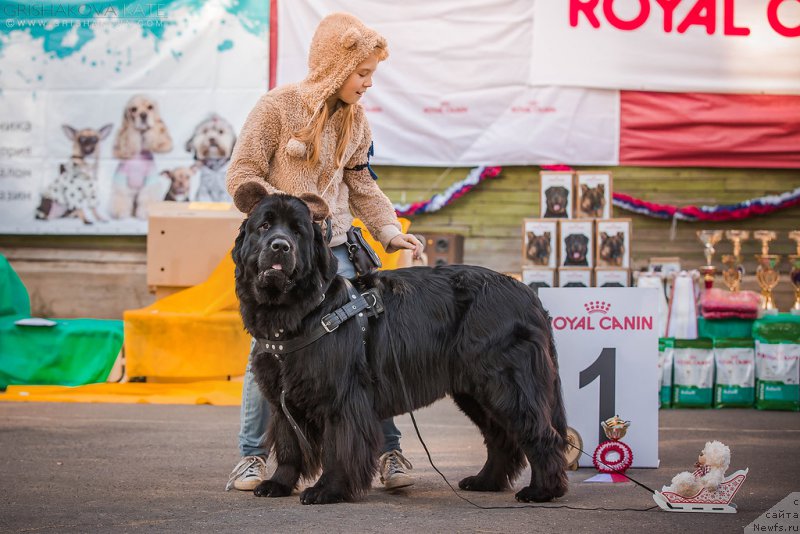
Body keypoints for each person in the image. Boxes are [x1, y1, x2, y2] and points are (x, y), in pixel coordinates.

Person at [224, 12, 424, 493]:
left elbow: (362, 185)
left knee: (365, 351)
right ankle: (254, 457)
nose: (368, 84)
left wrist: (389, 231)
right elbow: (241, 174)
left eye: (373, 75)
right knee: (269, 350)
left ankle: (386, 450)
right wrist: (286, 218)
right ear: (337, 66)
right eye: (363, 73)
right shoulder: (276, 108)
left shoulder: (357, 122)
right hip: (278, 251)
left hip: (333, 254)